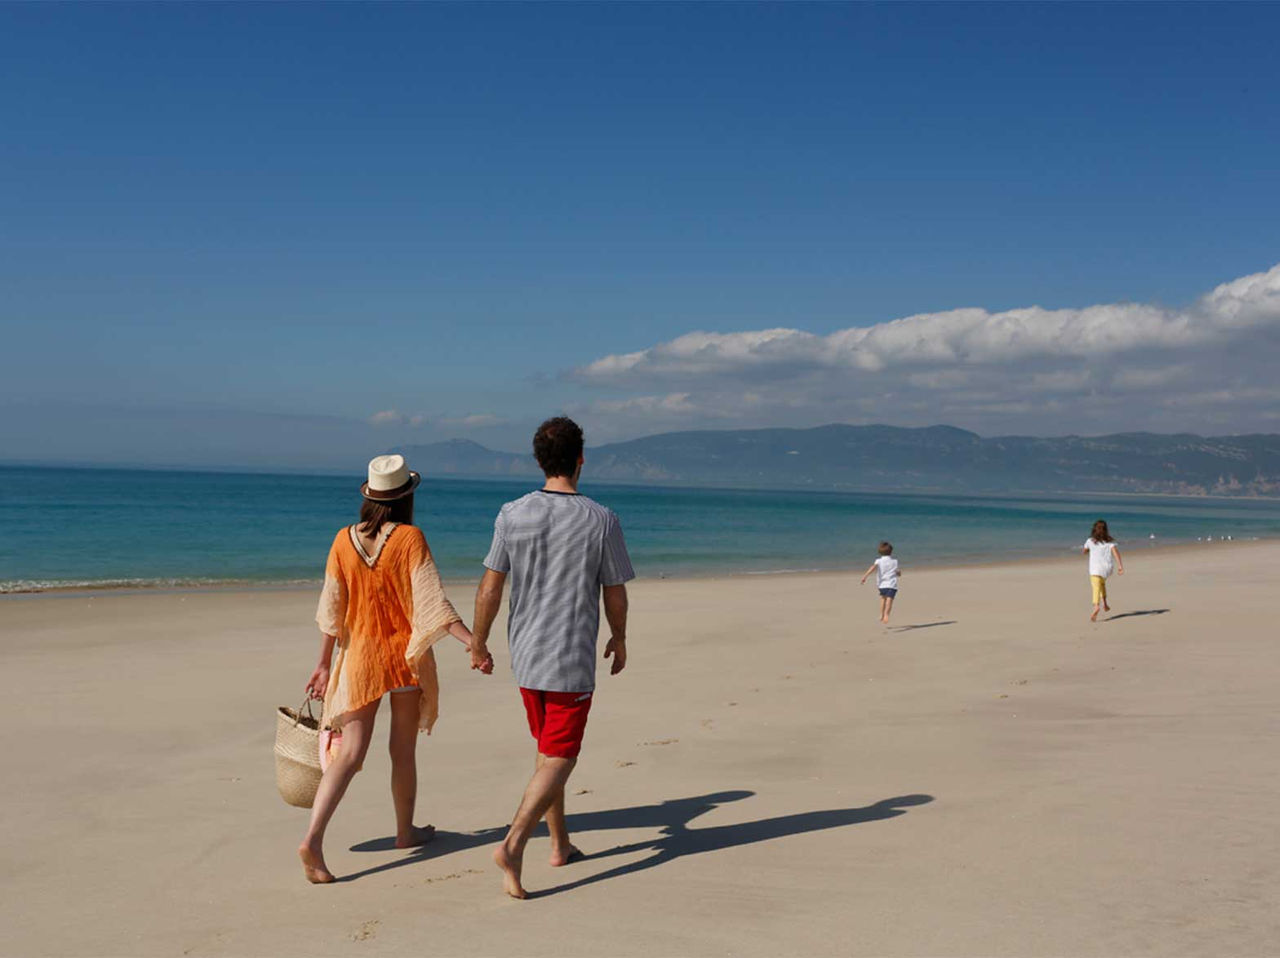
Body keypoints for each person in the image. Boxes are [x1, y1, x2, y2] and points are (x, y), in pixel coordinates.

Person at [298, 454, 493, 884]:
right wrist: (474, 644)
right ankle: (405, 832)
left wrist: (323, 664)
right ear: (406, 497)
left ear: (369, 496)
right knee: (402, 751)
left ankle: (313, 838)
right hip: (405, 657)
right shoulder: (410, 538)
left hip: (360, 658)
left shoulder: (342, 540)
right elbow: (432, 604)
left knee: (348, 754)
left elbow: (332, 608)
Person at [470, 417, 635, 899]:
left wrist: (479, 643)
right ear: (581, 459)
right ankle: (514, 843)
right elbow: (615, 591)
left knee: (546, 753)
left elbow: (490, 586)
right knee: (561, 756)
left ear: (540, 460)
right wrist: (620, 636)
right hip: (569, 656)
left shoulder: (511, 513)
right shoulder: (600, 518)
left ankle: (560, 844)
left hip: (526, 655)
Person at [1082, 519, 1124, 622]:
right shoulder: (1110, 542)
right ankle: (1105, 604)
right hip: (1106, 569)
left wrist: (1087, 550)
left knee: (1096, 587)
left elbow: (1084, 551)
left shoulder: (1090, 541)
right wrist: (1120, 566)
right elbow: (1116, 554)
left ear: (1094, 530)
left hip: (1095, 569)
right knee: (1101, 584)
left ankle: (1096, 606)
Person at [860, 541, 901, 624]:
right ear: (891, 551)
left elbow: (872, 568)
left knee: (883, 599)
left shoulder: (878, 561)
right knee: (889, 600)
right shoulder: (895, 561)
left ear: (880, 552)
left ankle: (881, 614)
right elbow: (898, 573)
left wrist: (865, 576)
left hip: (882, 585)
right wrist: (899, 573)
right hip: (892, 584)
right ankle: (886, 615)